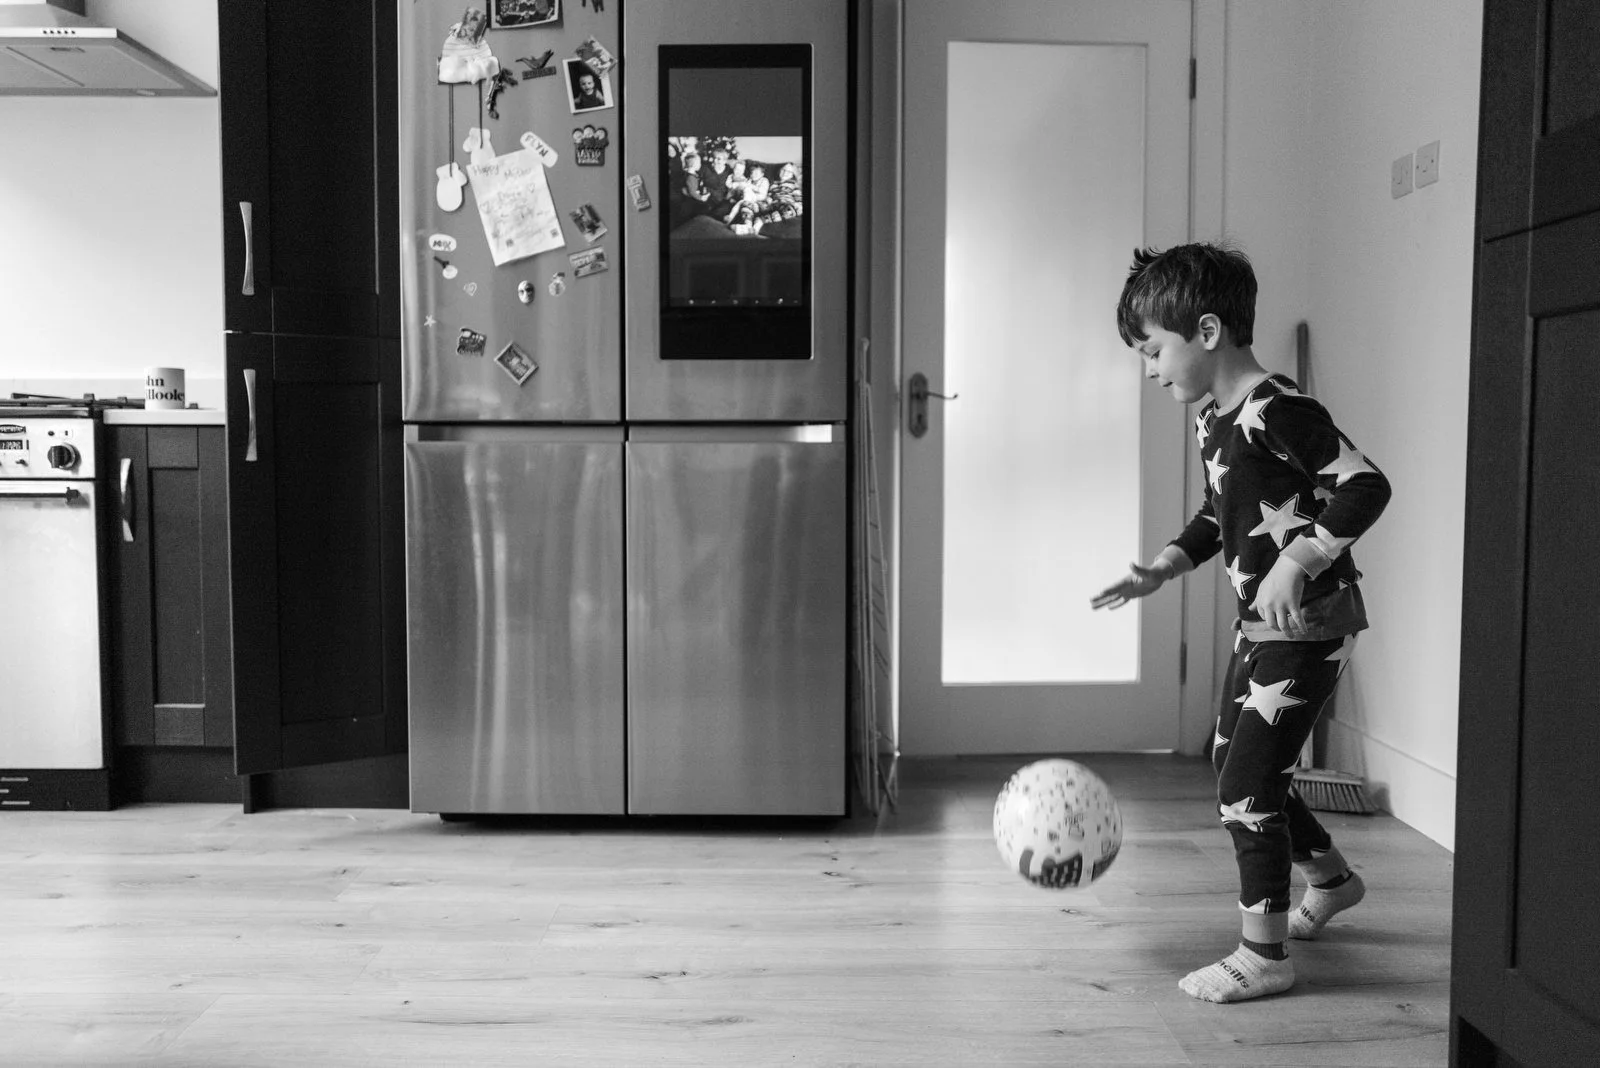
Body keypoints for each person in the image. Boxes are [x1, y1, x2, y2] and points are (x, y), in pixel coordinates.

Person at [1091, 242, 1391, 1004]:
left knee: (1247, 789)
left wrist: (1301, 557)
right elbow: (1219, 511)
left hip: (1309, 625)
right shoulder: (1213, 420)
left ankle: (1265, 955)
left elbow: (1364, 485)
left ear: (1208, 331)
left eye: (1153, 351)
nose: (1149, 370)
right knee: (1238, 764)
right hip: (1261, 626)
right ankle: (1332, 881)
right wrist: (1163, 565)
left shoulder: (1276, 409)